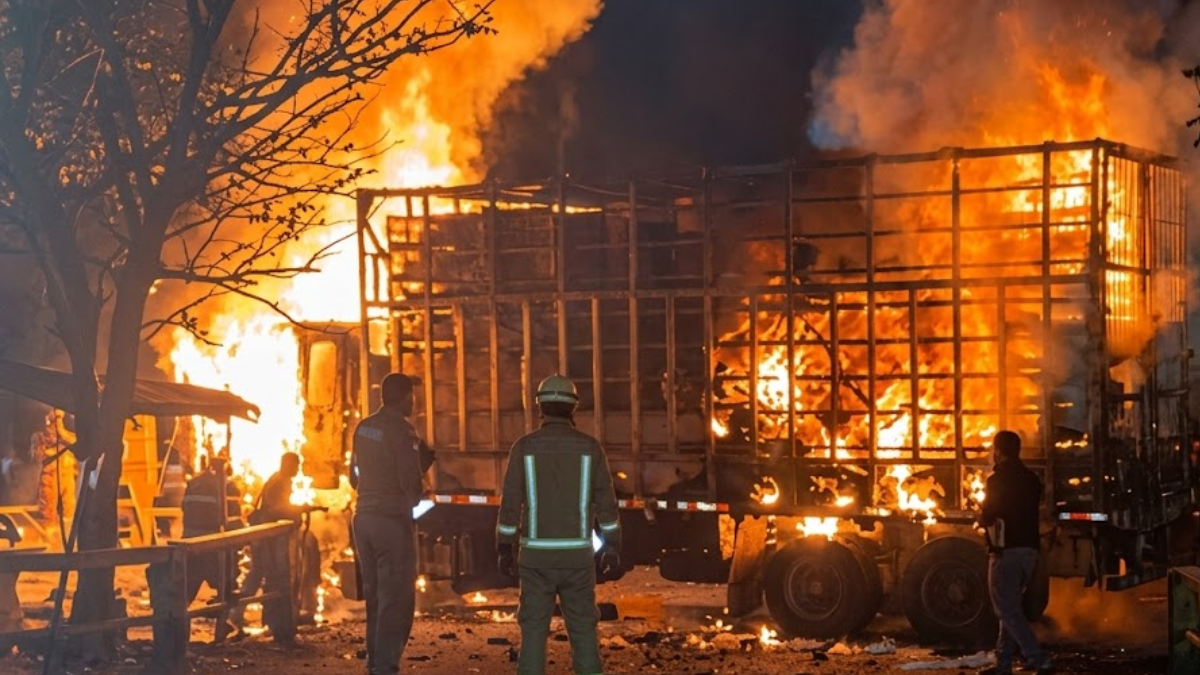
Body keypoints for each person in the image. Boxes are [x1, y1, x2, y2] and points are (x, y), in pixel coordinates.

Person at [496, 374, 622, 675]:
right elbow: (606, 503)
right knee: (583, 632)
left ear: (540, 407)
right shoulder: (590, 448)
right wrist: (613, 546)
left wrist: (504, 548)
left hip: (535, 560)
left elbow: (510, 505)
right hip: (577, 560)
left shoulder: (523, 448)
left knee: (534, 633)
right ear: (573, 409)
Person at [350, 372, 435, 675]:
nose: (414, 400)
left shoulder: (363, 428)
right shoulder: (403, 431)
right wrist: (419, 492)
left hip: (362, 520)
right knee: (396, 598)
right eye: (411, 395)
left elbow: (353, 478)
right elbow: (410, 483)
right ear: (400, 397)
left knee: (374, 597)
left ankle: (375, 662)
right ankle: (385, 666)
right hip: (390, 522)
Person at [978, 430, 1052, 675]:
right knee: (1011, 607)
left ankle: (1037, 657)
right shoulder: (1032, 479)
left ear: (998, 451)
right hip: (1029, 551)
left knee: (1006, 609)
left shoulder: (996, 481)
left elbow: (988, 515)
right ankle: (1003, 663)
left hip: (1005, 551)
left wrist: (981, 513)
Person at [243, 451, 325, 637]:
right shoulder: (281, 481)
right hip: (267, 538)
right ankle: (235, 613)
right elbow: (275, 509)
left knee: (262, 574)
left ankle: (255, 617)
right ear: (287, 464)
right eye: (296, 466)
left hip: (267, 536)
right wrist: (299, 510)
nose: (298, 470)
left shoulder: (278, 479)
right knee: (266, 574)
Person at [180, 455, 244, 638]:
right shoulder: (227, 487)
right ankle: (221, 622)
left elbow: (183, 508)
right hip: (212, 546)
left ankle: (177, 628)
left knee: (187, 589)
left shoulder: (194, 482)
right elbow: (231, 521)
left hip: (190, 544)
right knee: (228, 582)